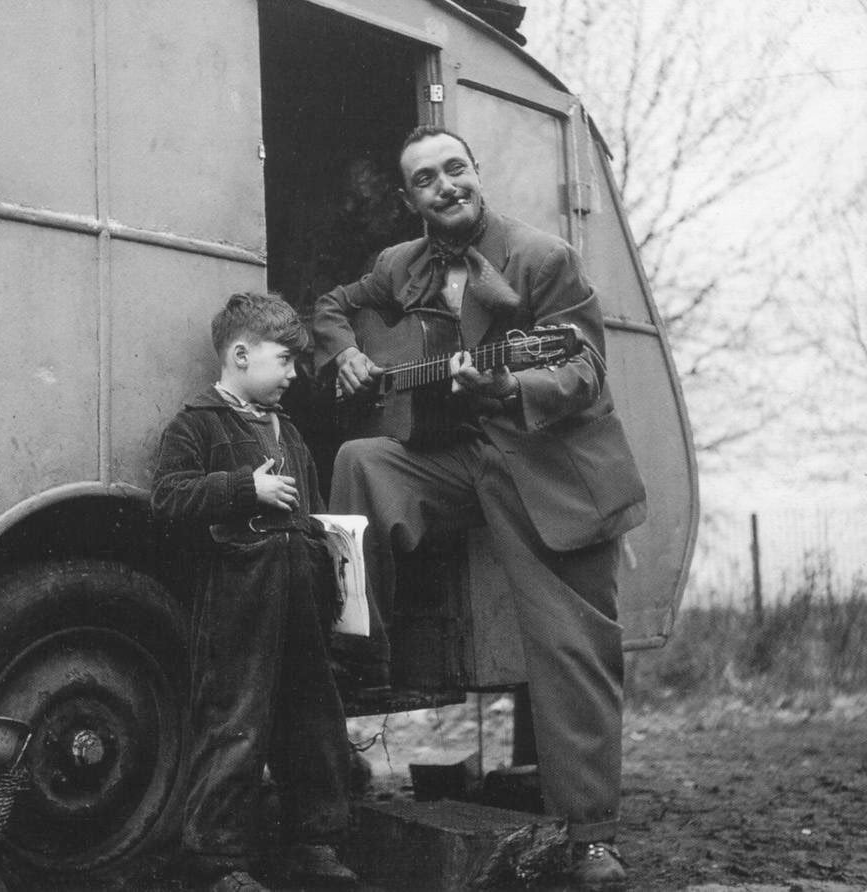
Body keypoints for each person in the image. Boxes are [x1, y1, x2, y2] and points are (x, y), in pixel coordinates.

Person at [312, 125, 647, 890]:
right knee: (361, 460)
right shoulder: (400, 265)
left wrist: (510, 385)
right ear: (411, 199)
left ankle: (590, 837)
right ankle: (360, 657)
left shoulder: (541, 257)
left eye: (454, 168)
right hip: (457, 460)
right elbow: (333, 305)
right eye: (425, 179)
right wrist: (347, 351)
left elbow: (586, 370)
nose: (446, 186)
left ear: (476, 171)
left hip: (547, 466)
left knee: (570, 649)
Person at [151, 292, 358, 892]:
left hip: (300, 599)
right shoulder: (196, 424)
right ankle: (216, 862)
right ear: (241, 355)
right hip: (237, 600)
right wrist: (246, 489)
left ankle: (314, 843)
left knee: (314, 718)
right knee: (234, 721)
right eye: (285, 360)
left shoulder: (286, 430)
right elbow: (168, 498)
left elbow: (313, 511)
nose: (294, 374)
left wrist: (329, 564)